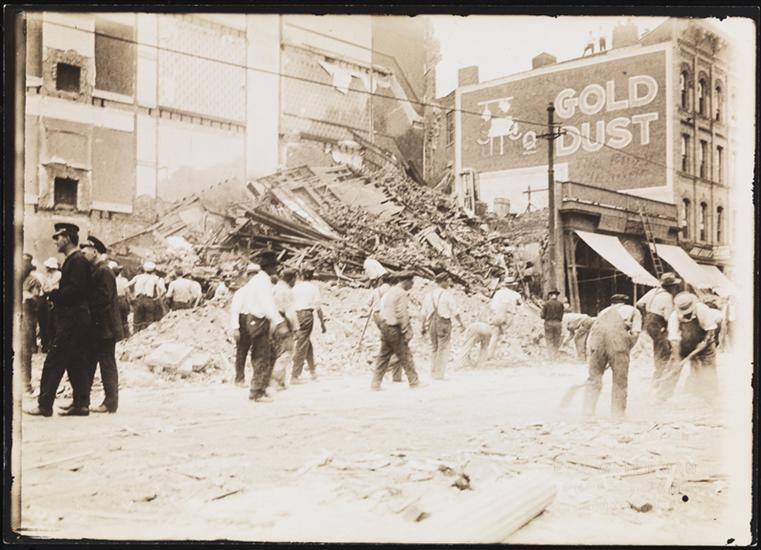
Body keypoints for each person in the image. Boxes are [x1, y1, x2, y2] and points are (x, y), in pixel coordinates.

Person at [25, 223, 92, 417]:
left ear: (67, 238)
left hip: (72, 318)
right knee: (76, 361)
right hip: (77, 317)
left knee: (54, 361)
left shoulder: (76, 261)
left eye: (58, 237)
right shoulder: (75, 260)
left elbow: (75, 291)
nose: (55, 241)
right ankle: (81, 404)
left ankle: (44, 405)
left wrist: (53, 293)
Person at [79, 235, 124, 413]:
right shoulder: (96, 269)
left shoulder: (104, 271)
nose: (83, 256)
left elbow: (103, 299)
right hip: (98, 328)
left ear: (95, 251)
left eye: (85, 252)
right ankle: (82, 401)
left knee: (107, 365)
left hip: (104, 328)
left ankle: (110, 403)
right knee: (89, 363)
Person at [656, 292, 723, 403]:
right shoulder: (674, 317)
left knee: (709, 368)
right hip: (683, 345)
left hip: (705, 342)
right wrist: (677, 359)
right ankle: (661, 397)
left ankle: (711, 397)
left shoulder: (702, 310)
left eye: (688, 312)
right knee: (673, 368)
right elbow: (674, 341)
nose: (686, 314)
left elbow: (711, 330)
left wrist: (704, 342)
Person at [582, 294, 642, 418]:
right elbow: (635, 333)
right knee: (620, 380)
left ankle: (588, 411)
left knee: (594, 378)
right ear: (625, 302)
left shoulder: (603, 312)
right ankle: (617, 413)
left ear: (612, 303)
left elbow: (593, 332)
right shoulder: (633, 310)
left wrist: (593, 352)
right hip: (618, 343)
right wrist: (626, 348)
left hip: (597, 343)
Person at [242, 250, 288, 402]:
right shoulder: (263, 282)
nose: (276, 269)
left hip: (255, 319)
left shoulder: (257, 280)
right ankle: (256, 391)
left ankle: (261, 387)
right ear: (269, 267)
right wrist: (279, 322)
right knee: (261, 356)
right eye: (274, 266)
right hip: (259, 319)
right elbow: (267, 305)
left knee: (268, 354)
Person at [371, 271, 420, 391]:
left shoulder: (389, 292)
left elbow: (381, 310)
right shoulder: (401, 293)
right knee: (406, 355)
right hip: (394, 328)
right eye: (411, 282)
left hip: (385, 326)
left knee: (383, 357)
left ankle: (375, 384)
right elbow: (402, 313)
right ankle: (414, 382)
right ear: (406, 281)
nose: (412, 285)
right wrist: (406, 328)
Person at [636, 272, 683, 387]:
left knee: (658, 347)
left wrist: (647, 314)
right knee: (663, 350)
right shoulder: (667, 297)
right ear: (671, 286)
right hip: (658, 323)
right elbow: (668, 318)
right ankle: (659, 377)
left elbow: (639, 303)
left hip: (649, 322)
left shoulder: (654, 291)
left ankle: (659, 373)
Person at [422, 273, 464, 380]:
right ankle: (439, 374)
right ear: (443, 281)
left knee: (434, 347)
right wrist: (461, 323)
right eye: (448, 281)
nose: (449, 283)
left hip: (431, 322)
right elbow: (455, 311)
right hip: (443, 322)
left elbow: (423, 313)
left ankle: (433, 371)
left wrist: (423, 326)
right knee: (443, 347)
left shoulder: (429, 295)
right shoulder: (447, 294)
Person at [291, 264, 327, 383]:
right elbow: (318, 308)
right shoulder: (313, 288)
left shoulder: (295, 288)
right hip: (306, 315)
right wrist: (322, 323)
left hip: (295, 314)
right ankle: (295, 375)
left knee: (306, 342)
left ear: (301, 275)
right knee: (302, 344)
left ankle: (312, 371)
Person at [367, 273, 403, 382]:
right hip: (387, 316)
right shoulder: (392, 291)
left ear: (381, 280)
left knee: (388, 341)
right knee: (396, 343)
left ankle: (386, 371)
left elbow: (368, 303)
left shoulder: (376, 291)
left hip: (376, 315)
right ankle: (395, 375)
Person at [229, 263, 260, 387]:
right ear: (247, 277)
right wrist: (235, 328)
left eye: (256, 276)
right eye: (251, 276)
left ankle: (256, 380)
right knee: (242, 351)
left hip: (258, 320)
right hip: (244, 321)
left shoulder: (261, 293)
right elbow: (235, 311)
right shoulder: (241, 292)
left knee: (258, 352)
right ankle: (239, 379)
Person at [271, 268, 300, 389]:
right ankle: (275, 380)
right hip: (282, 320)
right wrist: (296, 328)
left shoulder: (273, 288)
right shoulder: (286, 291)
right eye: (295, 280)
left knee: (276, 351)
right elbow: (290, 311)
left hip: (271, 321)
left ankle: (281, 381)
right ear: (291, 279)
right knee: (287, 351)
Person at [21, 253, 42, 394]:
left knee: (24, 351)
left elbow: (36, 300)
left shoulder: (33, 281)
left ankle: (26, 384)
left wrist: (27, 297)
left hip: (27, 317)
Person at [487, 279, 522, 359]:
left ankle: (489, 355)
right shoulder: (515, 294)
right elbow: (520, 303)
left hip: (497, 315)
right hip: (508, 316)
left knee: (495, 335)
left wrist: (491, 316)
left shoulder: (498, 293)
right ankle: (510, 355)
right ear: (512, 286)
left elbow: (492, 307)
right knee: (509, 335)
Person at [128, 261, 165, 331]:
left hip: (138, 300)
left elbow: (126, 286)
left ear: (144, 269)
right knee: (149, 322)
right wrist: (157, 298)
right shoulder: (155, 278)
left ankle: (136, 334)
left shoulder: (138, 277)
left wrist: (131, 297)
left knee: (137, 322)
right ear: (153, 270)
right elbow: (163, 290)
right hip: (149, 300)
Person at [36, 256, 61, 353]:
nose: (46, 268)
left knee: (53, 323)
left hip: (55, 300)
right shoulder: (50, 275)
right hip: (49, 299)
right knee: (48, 323)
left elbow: (52, 288)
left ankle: (53, 345)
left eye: (47, 266)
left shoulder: (58, 275)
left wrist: (47, 290)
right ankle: (49, 345)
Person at [541, 289, 564, 360]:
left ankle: (551, 357)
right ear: (557, 296)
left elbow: (542, 316)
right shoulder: (561, 304)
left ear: (550, 295)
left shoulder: (546, 304)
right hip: (558, 323)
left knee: (549, 339)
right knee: (557, 340)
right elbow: (562, 314)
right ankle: (556, 356)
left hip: (549, 323)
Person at [110, 261, 131, 337]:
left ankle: (119, 337)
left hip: (114, 301)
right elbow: (128, 292)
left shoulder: (110, 280)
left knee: (116, 320)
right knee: (125, 319)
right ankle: (127, 335)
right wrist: (129, 302)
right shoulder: (124, 280)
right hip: (123, 300)